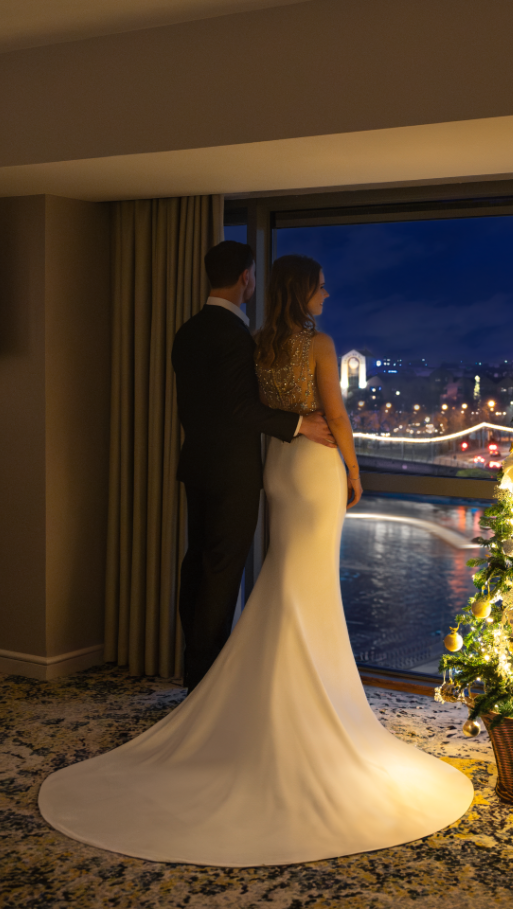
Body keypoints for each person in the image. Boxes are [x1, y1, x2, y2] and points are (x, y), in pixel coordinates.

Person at [37, 254, 474, 867]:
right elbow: (330, 414)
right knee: (285, 575)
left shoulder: (245, 339)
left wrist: (290, 430)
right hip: (302, 461)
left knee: (253, 572)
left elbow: (223, 406)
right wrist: (349, 464)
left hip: (265, 468)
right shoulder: (309, 342)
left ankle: (220, 682)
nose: (328, 291)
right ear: (274, 285)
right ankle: (243, 689)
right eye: (322, 285)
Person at [170, 240, 335, 692]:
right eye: (254, 275)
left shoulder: (188, 331)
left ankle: (195, 669)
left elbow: (204, 406)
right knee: (222, 573)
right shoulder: (235, 337)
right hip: (232, 472)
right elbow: (240, 409)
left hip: (197, 464)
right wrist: (300, 423)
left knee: (197, 564)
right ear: (246, 277)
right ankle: (205, 684)